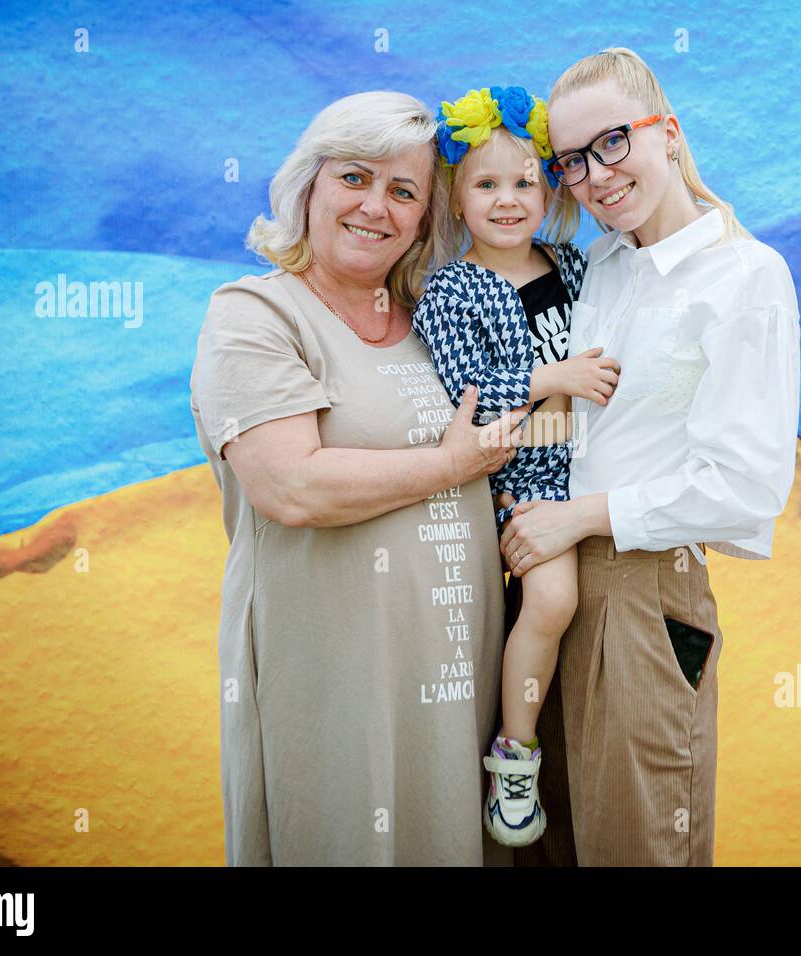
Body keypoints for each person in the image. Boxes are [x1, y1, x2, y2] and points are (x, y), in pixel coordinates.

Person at [189, 90, 529, 866]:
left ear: (423, 218)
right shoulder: (257, 315)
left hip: (453, 683)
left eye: (403, 191)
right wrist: (452, 465)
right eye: (354, 178)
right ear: (308, 185)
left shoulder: (434, 319)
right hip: (332, 685)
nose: (376, 206)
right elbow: (292, 487)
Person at [500, 48, 801, 866]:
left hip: (643, 597)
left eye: (612, 143)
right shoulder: (597, 265)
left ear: (666, 133)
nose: (594, 176)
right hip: (546, 591)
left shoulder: (745, 276)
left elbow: (745, 485)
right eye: (570, 162)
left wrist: (576, 518)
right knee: (550, 847)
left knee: (635, 848)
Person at [411, 84, 620, 847]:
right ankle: (516, 752)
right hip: (521, 483)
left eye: (524, 181)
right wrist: (551, 379)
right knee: (555, 599)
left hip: (593, 474)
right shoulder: (452, 290)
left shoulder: (572, 265)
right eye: (486, 184)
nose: (508, 199)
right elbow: (463, 399)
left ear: (549, 190)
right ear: (455, 199)